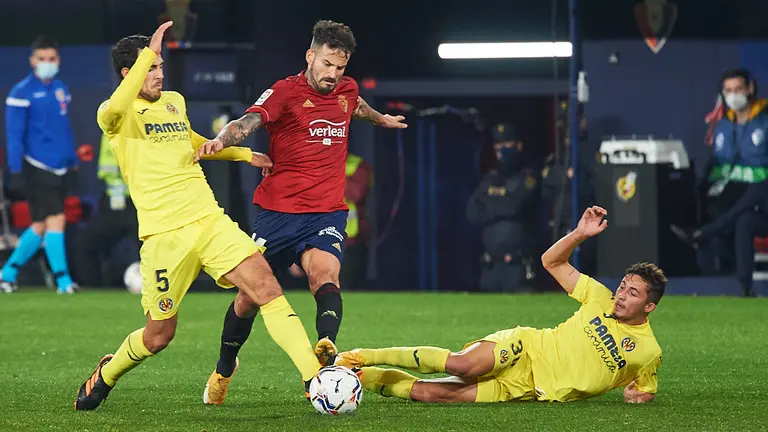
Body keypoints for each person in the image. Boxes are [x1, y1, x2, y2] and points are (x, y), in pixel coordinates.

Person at [74, 22, 322, 411]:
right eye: (151, 68)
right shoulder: (113, 113)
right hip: (164, 236)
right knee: (158, 336)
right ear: (128, 73)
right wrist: (148, 53)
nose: (160, 74)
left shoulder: (173, 100)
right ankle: (107, 374)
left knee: (265, 287)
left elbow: (189, 140)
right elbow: (118, 107)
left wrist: (242, 154)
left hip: (208, 219)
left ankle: (315, 379)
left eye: (160, 66)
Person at [193, 20, 407, 405]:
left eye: (340, 67)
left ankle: (326, 352)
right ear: (310, 56)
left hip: (326, 212)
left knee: (325, 274)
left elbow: (355, 105)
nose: (333, 74)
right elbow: (248, 122)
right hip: (278, 213)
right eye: (326, 64)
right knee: (248, 299)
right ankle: (225, 367)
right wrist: (222, 139)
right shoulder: (285, 92)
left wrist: (381, 119)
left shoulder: (346, 89)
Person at [335, 206, 664, 405]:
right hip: (526, 348)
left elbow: (645, 389)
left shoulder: (648, 352)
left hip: (527, 389)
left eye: (633, 293)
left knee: (429, 394)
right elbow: (551, 262)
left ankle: (357, 377)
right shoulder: (598, 296)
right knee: (462, 365)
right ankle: (361, 356)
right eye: (623, 286)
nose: (622, 295)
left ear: (649, 307)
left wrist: (638, 396)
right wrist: (578, 234)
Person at [672, 68, 768, 296]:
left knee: (756, 191)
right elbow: (718, 167)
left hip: (763, 196)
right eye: (728, 90)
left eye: (738, 89)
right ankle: (744, 288)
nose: (733, 95)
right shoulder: (723, 125)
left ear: (750, 89)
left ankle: (703, 234)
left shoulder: (764, 122)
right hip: (739, 201)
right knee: (743, 220)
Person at [2, 35, 79, 294]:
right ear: (32, 61)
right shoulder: (21, 92)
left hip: (60, 166)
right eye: (42, 58)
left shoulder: (61, 89)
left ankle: (7, 273)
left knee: (40, 225)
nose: (47, 63)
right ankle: (63, 281)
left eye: (52, 58)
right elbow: (14, 134)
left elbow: (64, 129)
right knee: (57, 219)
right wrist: (15, 170)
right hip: (36, 165)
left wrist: (72, 161)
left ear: (58, 59)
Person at [466, 123, 539, 292]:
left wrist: (490, 204)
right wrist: (502, 204)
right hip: (490, 267)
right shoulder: (490, 178)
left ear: (518, 146)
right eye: (498, 144)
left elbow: (515, 207)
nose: (501, 149)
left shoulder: (527, 176)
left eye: (506, 143)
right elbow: (472, 212)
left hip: (517, 267)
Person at [72, 134, 139, 287]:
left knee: (153, 248)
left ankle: (162, 286)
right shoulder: (108, 128)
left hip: (138, 203)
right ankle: (93, 289)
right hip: (112, 203)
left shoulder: (141, 128)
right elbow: (106, 168)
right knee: (85, 243)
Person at [340, 152, 372, 290]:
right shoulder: (312, 164)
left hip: (350, 240)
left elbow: (356, 194)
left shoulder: (358, 166)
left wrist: (331, 173)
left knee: (348, 288)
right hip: (317, 240)